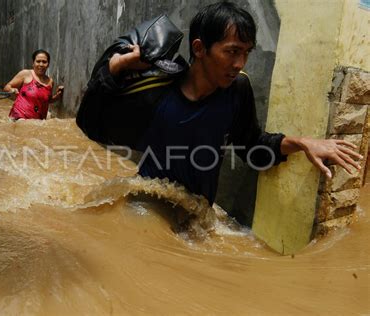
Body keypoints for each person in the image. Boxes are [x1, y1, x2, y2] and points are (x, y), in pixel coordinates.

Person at [76, 2, 363, 208]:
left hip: (197, 215)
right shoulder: (158, 86)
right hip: (145, 206)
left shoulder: (237, 90)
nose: (239, 63)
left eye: (246, 53)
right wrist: (116, 67)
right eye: (232, 52)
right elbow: (90, 124)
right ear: (199, 49)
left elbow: (252, 147)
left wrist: (302, 143)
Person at [4, 49, 64, 120]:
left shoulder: (50, 82)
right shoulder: (26, 74)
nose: (41, 64)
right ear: (33, 63)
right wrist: (12, 89)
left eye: (44, 62)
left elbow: (47, 101)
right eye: (38, 61)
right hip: (19, 117)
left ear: (48, 64)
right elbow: (7, 87)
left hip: (38, 122)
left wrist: (58, 96)